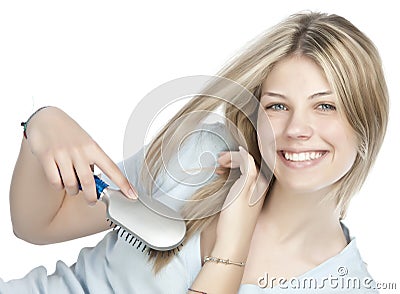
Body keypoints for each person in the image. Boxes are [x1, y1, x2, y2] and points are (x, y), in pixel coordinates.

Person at [0, 11, 388, 293]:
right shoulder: (203, 153)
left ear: (364, 121)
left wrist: (232, 246)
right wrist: (42, 124)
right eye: (277, 106)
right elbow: (37, 225)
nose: (297, 130)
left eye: (325, 106)